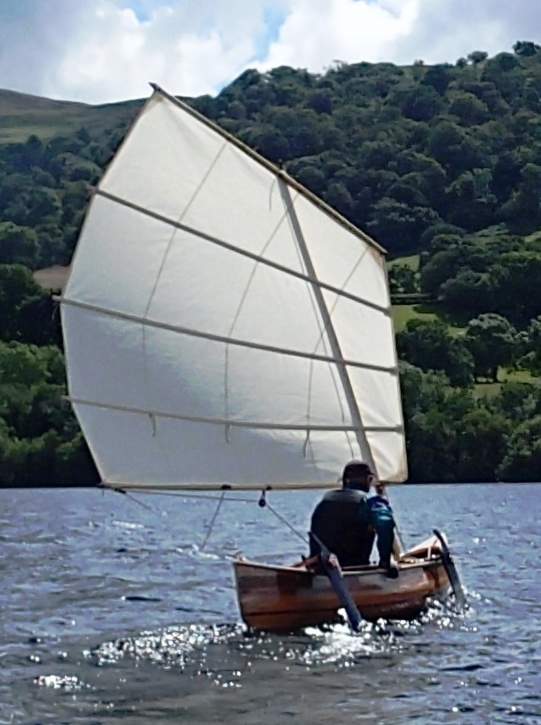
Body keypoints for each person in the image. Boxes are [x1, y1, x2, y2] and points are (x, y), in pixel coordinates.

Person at [309, 460, 399, 575]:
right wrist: (385, 562)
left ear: (344, 481)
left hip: (321, 570)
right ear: (369, 480)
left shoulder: (324, 501)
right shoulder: (371, 502)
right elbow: (385, 524)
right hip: (354, 571)